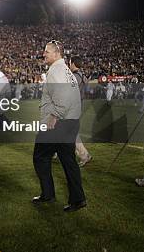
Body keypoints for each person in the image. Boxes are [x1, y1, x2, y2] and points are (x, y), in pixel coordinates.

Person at [32, 40, 87, 212]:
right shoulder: (66, 70)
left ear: (56, 54)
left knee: (40, 157)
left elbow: (62, 97)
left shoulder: (56, 71)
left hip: (57, 123)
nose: (44, 54)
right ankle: (78, 199)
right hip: (70, 122)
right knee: (69, 161)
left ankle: (48, 194)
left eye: (47, 52)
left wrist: (54, 117)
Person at [69, 55, 92, 167]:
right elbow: (89, 91)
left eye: (69, 62)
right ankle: (57, 151)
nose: (69, 65)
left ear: (73, 63)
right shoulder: (83, 76)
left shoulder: (74, 76)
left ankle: (84, 155)